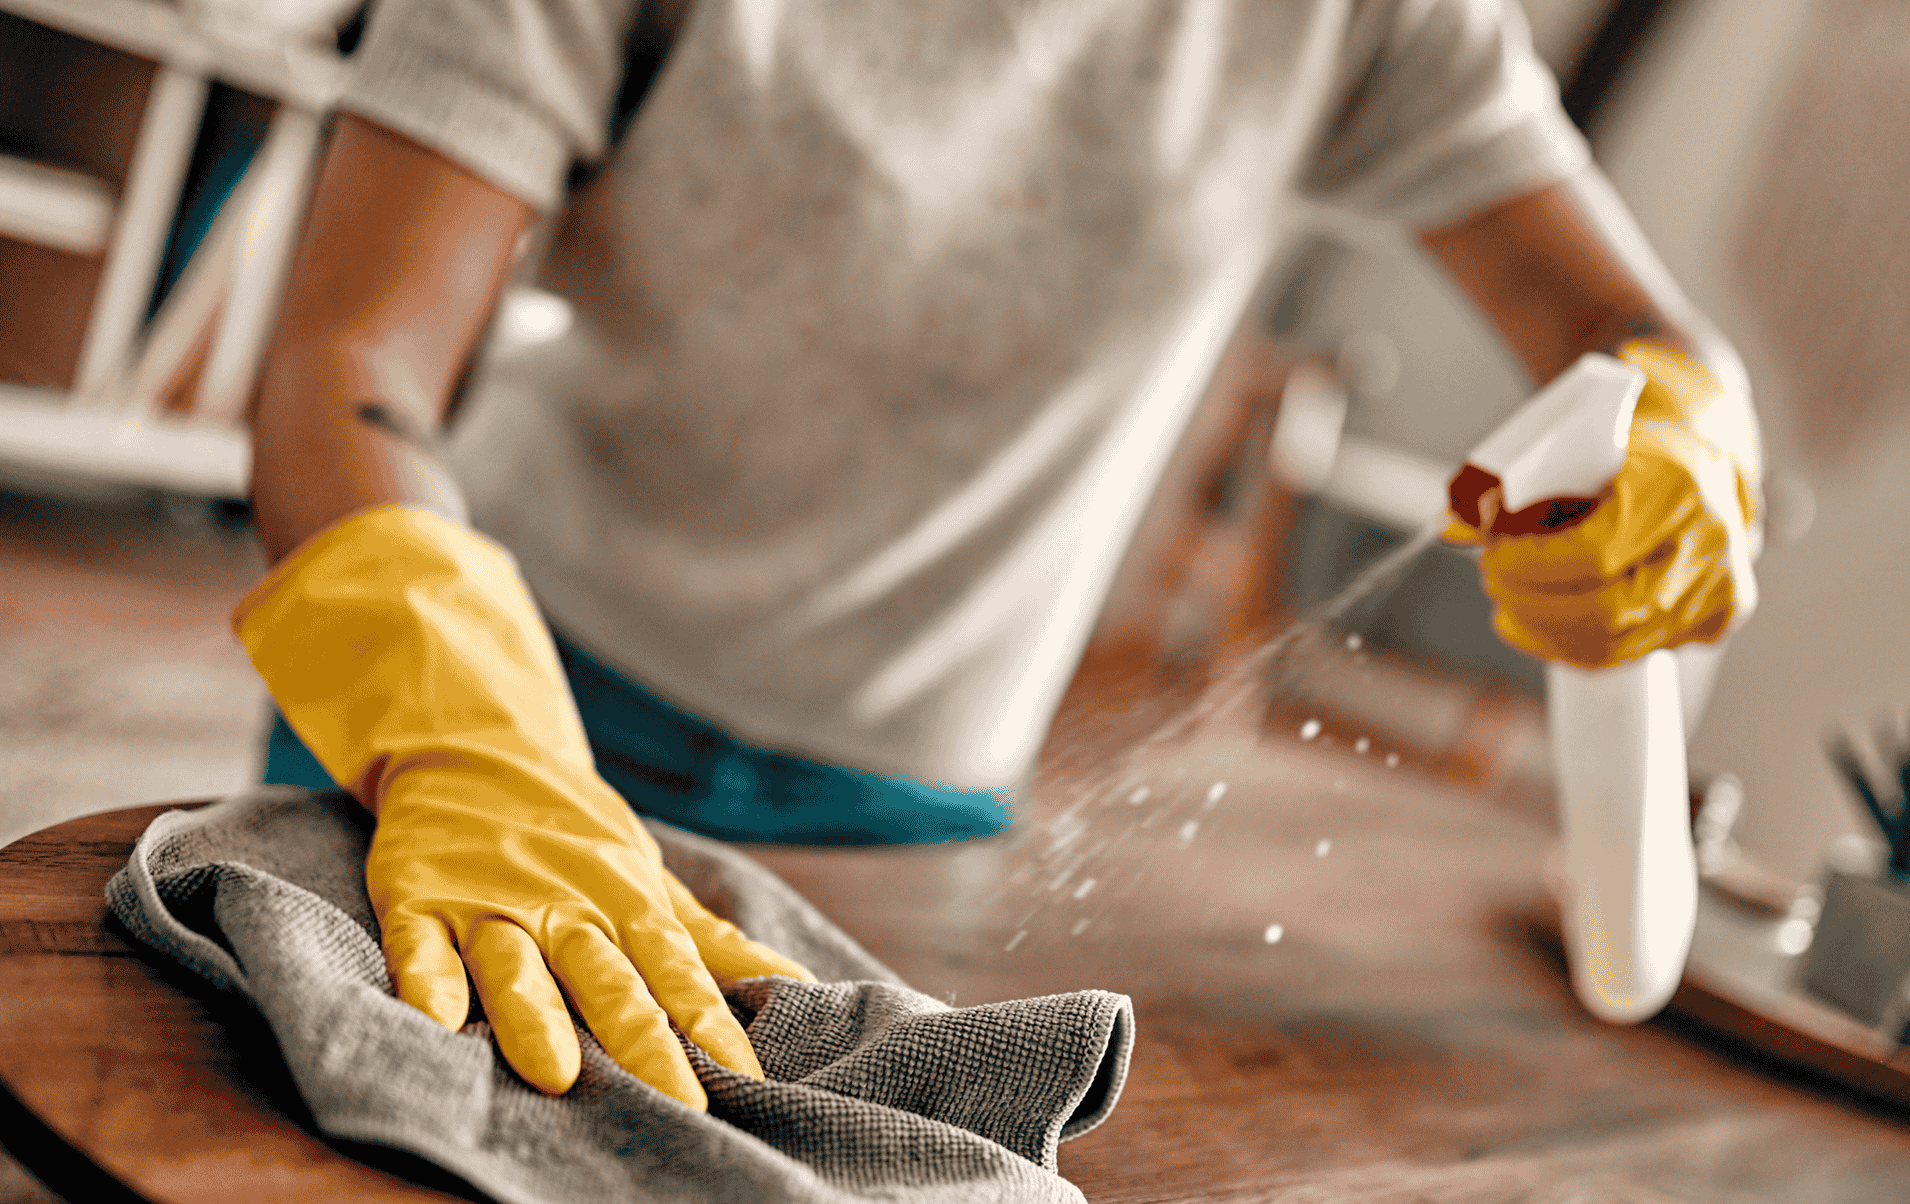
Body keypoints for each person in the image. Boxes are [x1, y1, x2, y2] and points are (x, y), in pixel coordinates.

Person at [239, 0, 1760, 1108]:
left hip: (905, 817)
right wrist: (467, 746)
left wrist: (1690, 432)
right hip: (473, 708)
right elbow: (349, 349)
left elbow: (1633, 331)